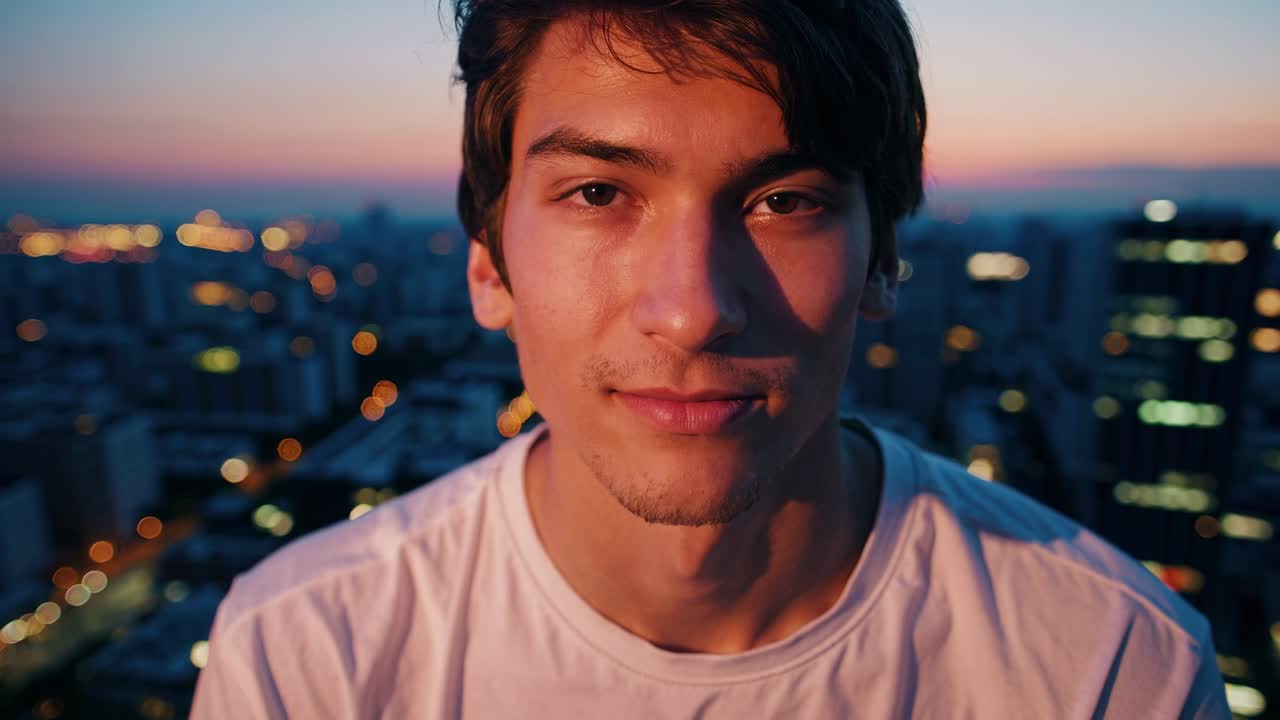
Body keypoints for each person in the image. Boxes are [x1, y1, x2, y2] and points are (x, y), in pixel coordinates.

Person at [192, 1, 1230, 717]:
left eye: (784, 202)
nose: (691, 312)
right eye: (597, 194)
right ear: (489, 268)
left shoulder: (1107, 665)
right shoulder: (308, 652)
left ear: (881, 265)